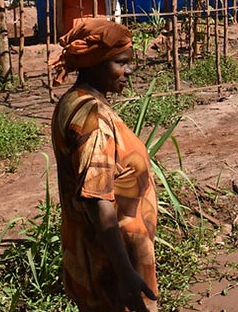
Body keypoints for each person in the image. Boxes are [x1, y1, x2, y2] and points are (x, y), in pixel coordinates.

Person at [51, 18, 158, 312]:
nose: (129, 70)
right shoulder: (93, 120)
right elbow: (99, 200)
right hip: (112, 265)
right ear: (94, 63)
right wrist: (125, 275)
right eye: (120, 63)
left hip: (96, 255)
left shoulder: (72, 101)